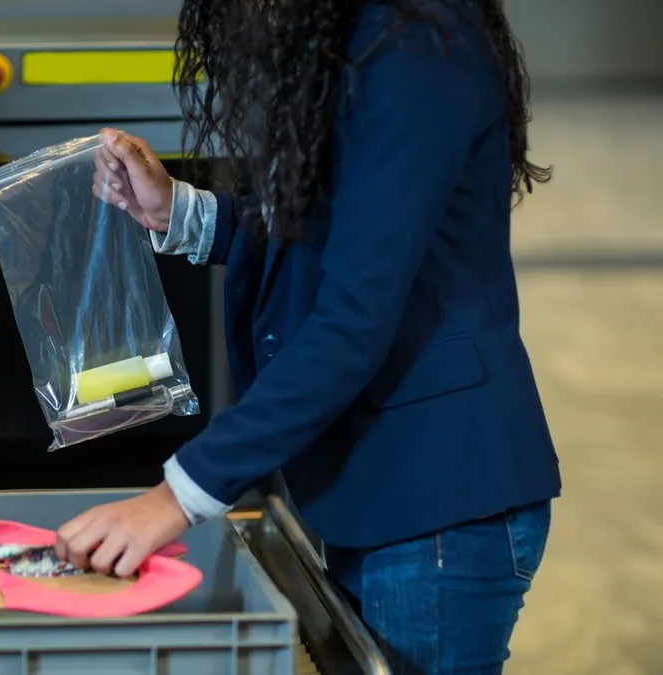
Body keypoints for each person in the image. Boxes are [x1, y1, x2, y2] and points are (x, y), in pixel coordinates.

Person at [55, 0, 560, 672]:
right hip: (378, 484)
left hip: (437, 499)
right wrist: (183, 212)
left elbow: (353, 319)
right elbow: (335, 231)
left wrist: (178, 497)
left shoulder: (417, 47)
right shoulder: (366, 31)